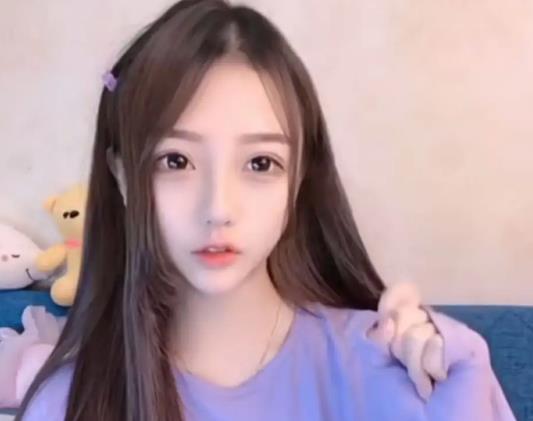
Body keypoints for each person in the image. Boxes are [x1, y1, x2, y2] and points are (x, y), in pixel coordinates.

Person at [17, 1, 515, 420]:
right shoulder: (69, 404)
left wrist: (461, 399)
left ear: (298, 178)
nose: (218, 208)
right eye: (176, 161)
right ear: (123, 176)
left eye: (260, 163)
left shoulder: (393, 375)